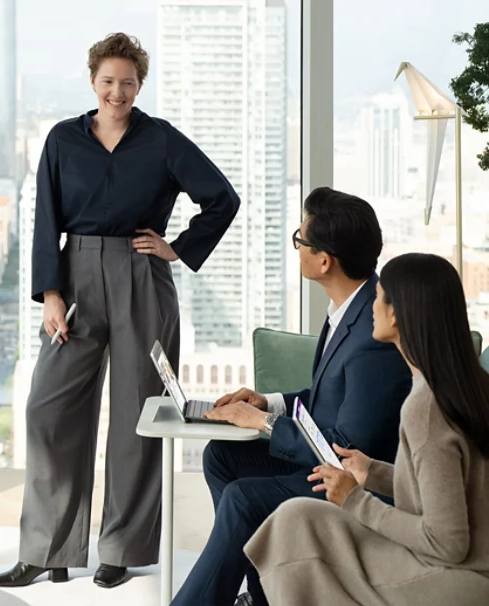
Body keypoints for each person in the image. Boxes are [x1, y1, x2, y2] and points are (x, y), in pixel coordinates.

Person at [0, 33, 240, 590]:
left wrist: (179, 247)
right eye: (108, 81)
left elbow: (222, 198)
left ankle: (121, 548)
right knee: (46, 409)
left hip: (140, 278)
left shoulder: (163, 140)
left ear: (139, 85)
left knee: (139, 415)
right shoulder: (62, 140)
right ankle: (46, 548)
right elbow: (44, 218)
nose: (117, 91)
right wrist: (50, 294)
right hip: (74, 276)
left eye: (128, 82)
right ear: (92, 81)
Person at [171, 187, 412, 606]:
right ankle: (266, 592)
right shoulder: (347, 307)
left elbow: (345, 447)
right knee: (222, 457)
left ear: (324, 261)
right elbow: (327, 396)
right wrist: (270, 403)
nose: (296, 247)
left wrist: (262, 424)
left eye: (300, 240)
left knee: (243, 498)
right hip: (324, 459)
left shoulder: (374, 331)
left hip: (355, 482)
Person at [246, 253, 489, 605]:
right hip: (462, 566)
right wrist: (371, 472)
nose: (371, 306)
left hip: (449, 578)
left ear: (396, 313)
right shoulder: (465, 387)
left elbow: (448, 543)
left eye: (378, 296)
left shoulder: (426, 409)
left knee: (293, 529)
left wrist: (354, 500)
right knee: (298, 515)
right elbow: (447, 489)